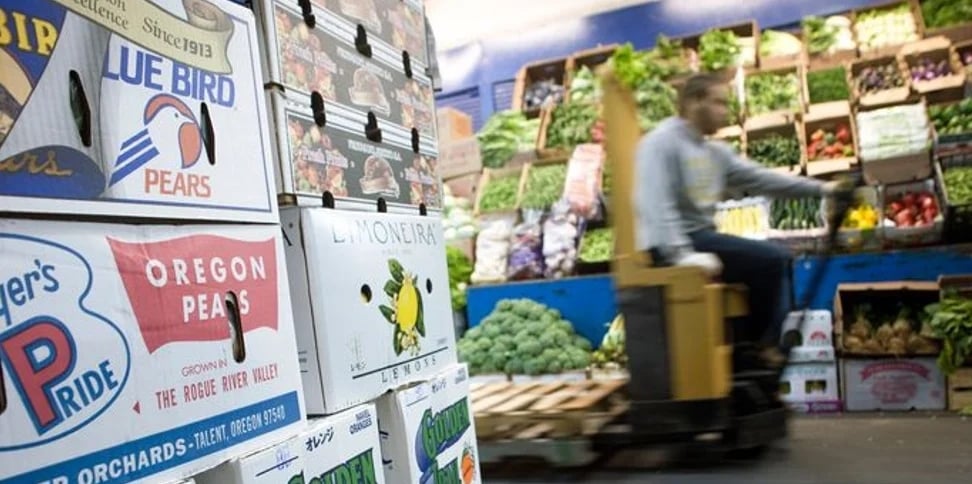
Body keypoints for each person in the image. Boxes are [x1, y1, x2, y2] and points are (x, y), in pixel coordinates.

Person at [634, 72, 845, 364]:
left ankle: (749, 350)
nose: (725, 111)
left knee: (777, 262)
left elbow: (763, 180)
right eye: (718, 102)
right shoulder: (661, 142)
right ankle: (759, 351)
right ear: (694, 102)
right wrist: (681, 255)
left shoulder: (715, 152)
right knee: (771, 260)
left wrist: (823, 189)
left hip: (701, 240)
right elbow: (656, 204)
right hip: (672, 243)